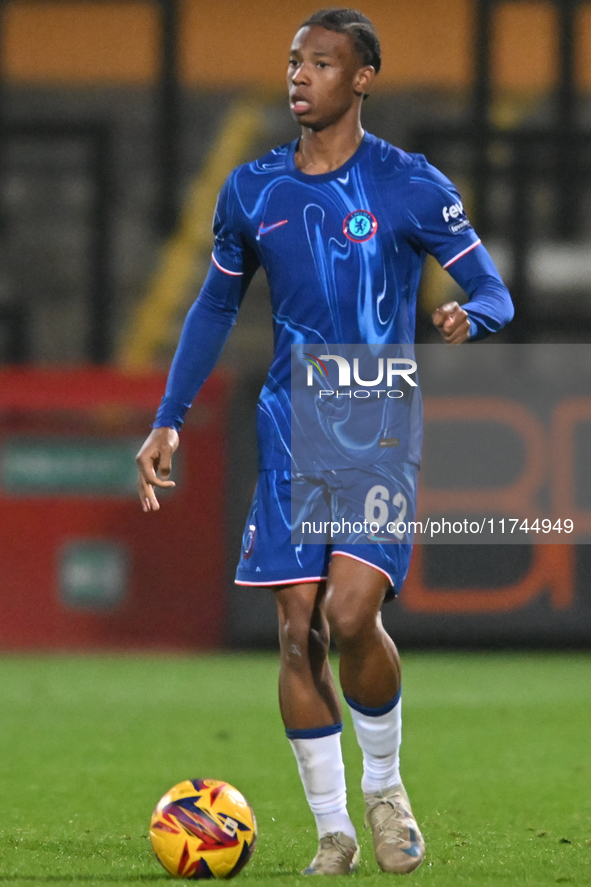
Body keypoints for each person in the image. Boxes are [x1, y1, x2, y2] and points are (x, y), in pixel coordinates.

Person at [136, 8, 513, 876]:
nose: (298, 75)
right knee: (296, 630)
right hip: (288, 423)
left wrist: (469, 314)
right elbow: (216, 306)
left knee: (350, 615)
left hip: (378, 417)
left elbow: (495, 290)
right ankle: (334, 829)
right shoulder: (253, 189)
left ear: (361, 79)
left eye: (320, 63)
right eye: (293, 60)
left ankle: (384, 787)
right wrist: (168, 415)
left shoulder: (411, 184)